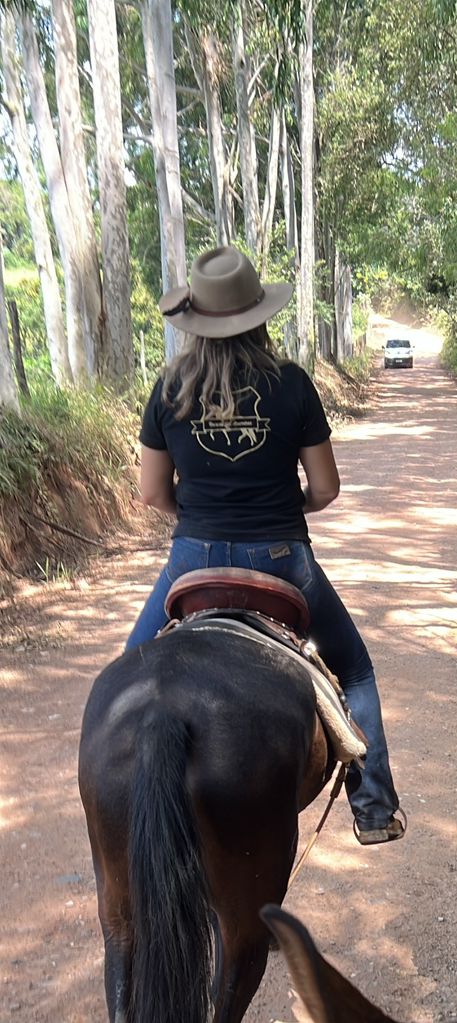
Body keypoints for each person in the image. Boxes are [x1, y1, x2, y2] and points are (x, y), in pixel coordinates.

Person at [129, 245, 404, 845]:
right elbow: (325, 488)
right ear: (258, 315)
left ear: (196, 323)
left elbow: (151, 492)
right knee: (355, 670)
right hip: (282, 559)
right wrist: (283, 510)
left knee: (128, 675)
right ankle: (374, 806)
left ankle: (123, 811)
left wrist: (197, 519)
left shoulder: (169, 388)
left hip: (193, 557)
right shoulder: (293, 384)